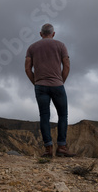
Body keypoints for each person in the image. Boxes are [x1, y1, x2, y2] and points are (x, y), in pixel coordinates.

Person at [25, 23, 76, 158]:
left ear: (41, 34)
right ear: (53, 34)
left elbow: (27, 69)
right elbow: (66, 65)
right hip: (57, 85)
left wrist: (36, 82)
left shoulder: (32, 47)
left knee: (44, 116)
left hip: (40, 86)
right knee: (63, 115)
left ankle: (48, 149)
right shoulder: (61, 45)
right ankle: (62, 147)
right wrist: (61, 81)